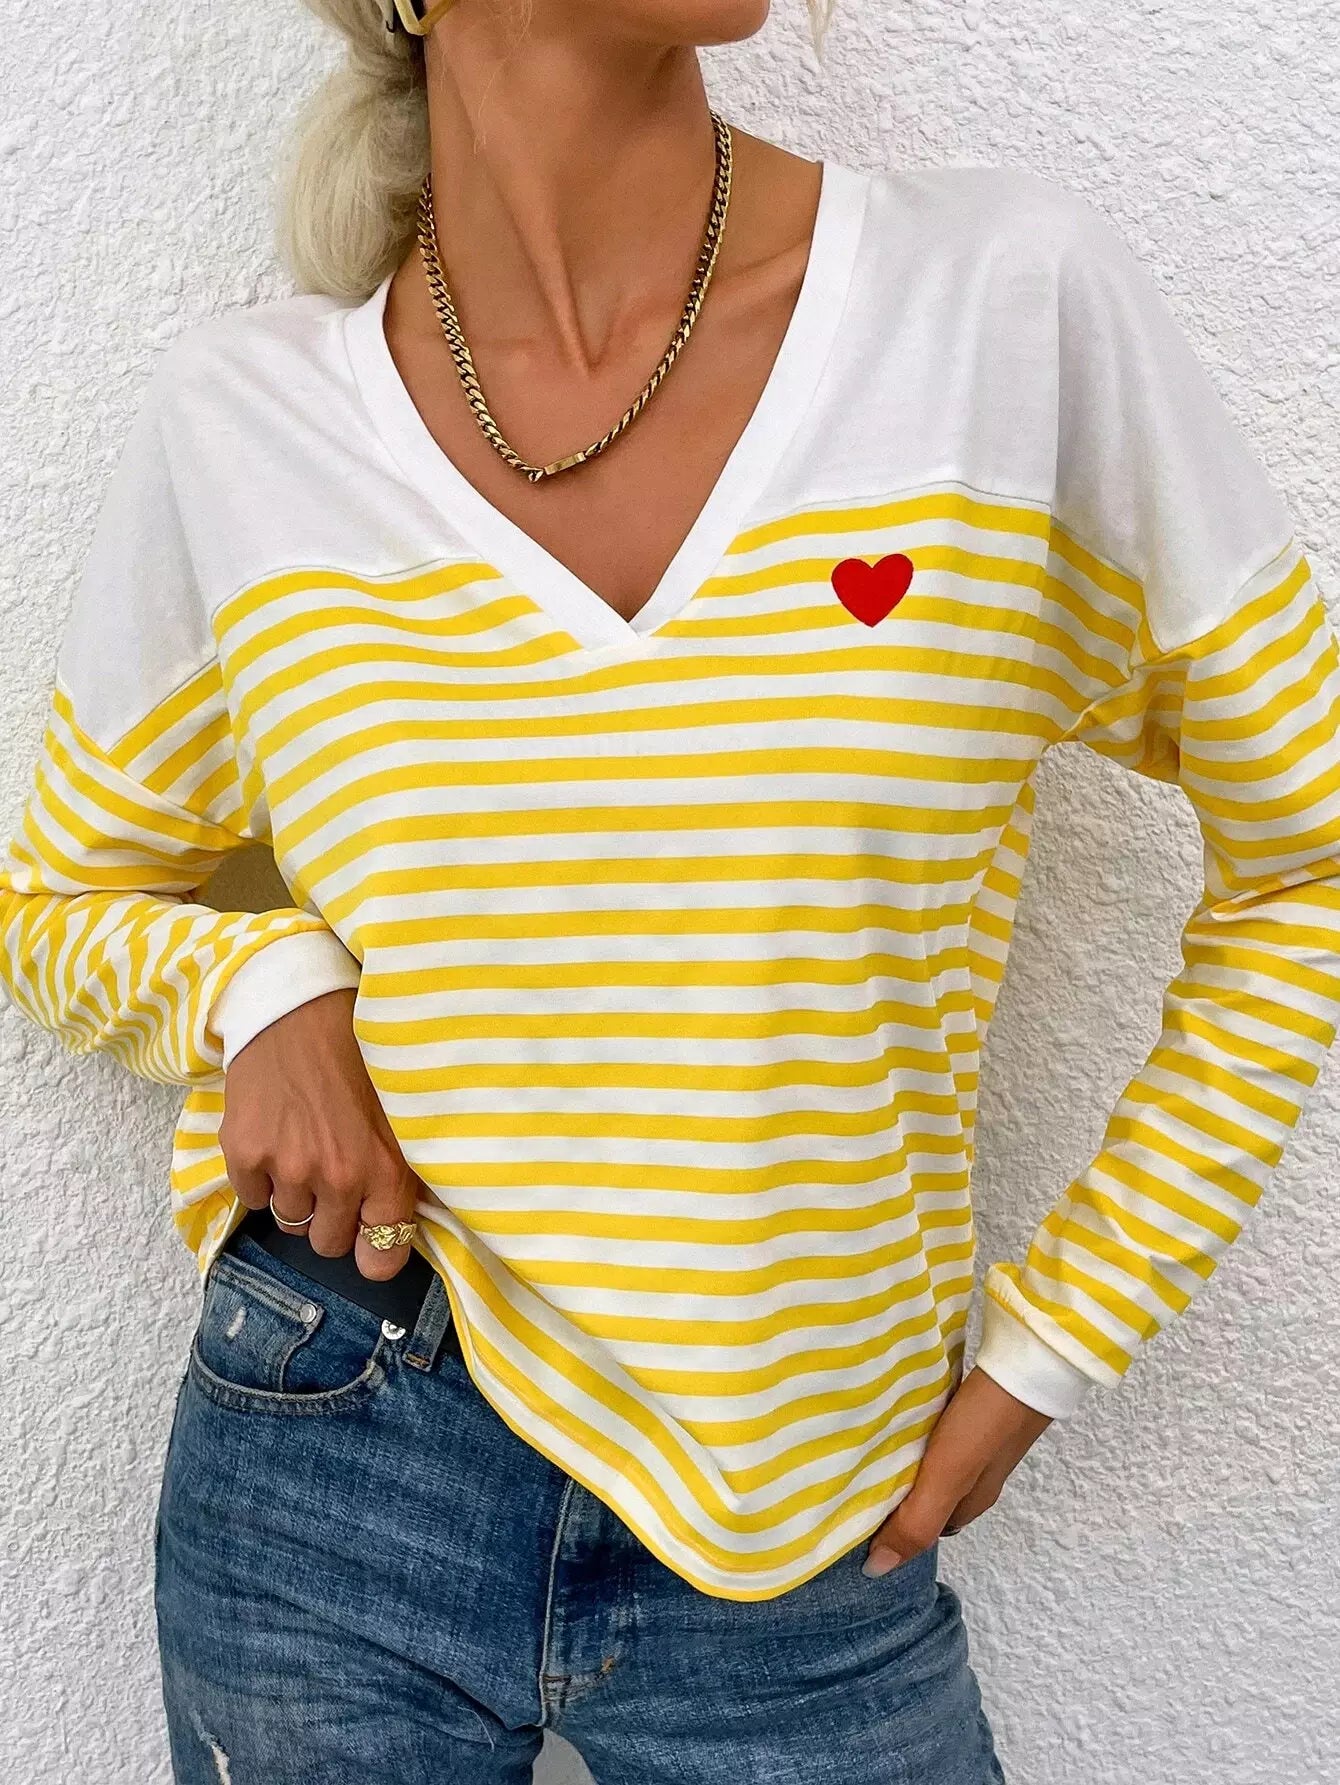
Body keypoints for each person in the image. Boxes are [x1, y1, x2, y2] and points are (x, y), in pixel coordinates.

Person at [2, 0, 1338, 1779]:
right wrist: (263, 989)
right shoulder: (246, 425)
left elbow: (1306, 854)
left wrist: (1057, 1340)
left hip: (806, 1532)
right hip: (337, 1448)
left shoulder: (997, 314)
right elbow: (54, 899)